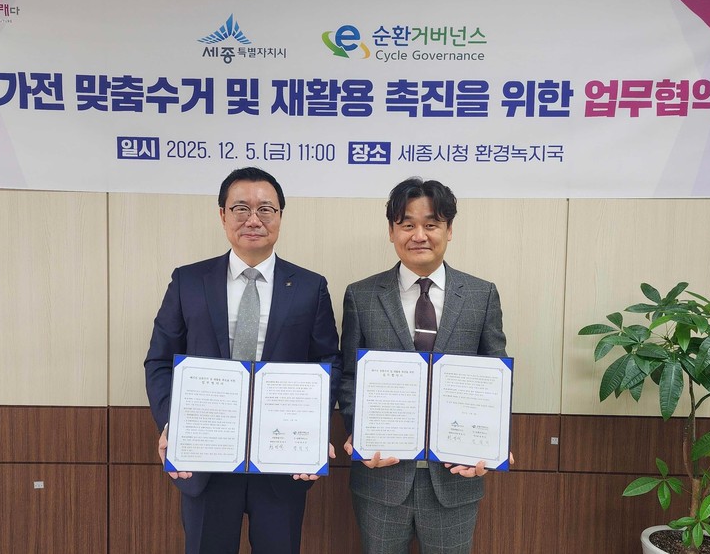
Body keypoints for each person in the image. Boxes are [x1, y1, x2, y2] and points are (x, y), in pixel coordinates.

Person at [144, 167, 342, 554]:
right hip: (206, 458)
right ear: (222, 215)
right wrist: (173, 425)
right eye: (241, 209)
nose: (254, 219)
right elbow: (160, 361)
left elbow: (327, 361)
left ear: (280, 216)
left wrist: (315, 427)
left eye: (266, 209)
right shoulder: (188, 281)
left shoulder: (309, 286)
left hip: (282, 460)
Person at [337, 177, 509, 554]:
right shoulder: (361, 296)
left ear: (449, 229)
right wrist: (357, 430)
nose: (419, 235)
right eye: (407, 224)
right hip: (381, 478)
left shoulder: (481, 295)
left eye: (431, 224)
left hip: (454, 478)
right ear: (391, 231)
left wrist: (495, 440)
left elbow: (495, 378)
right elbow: (349, 377)